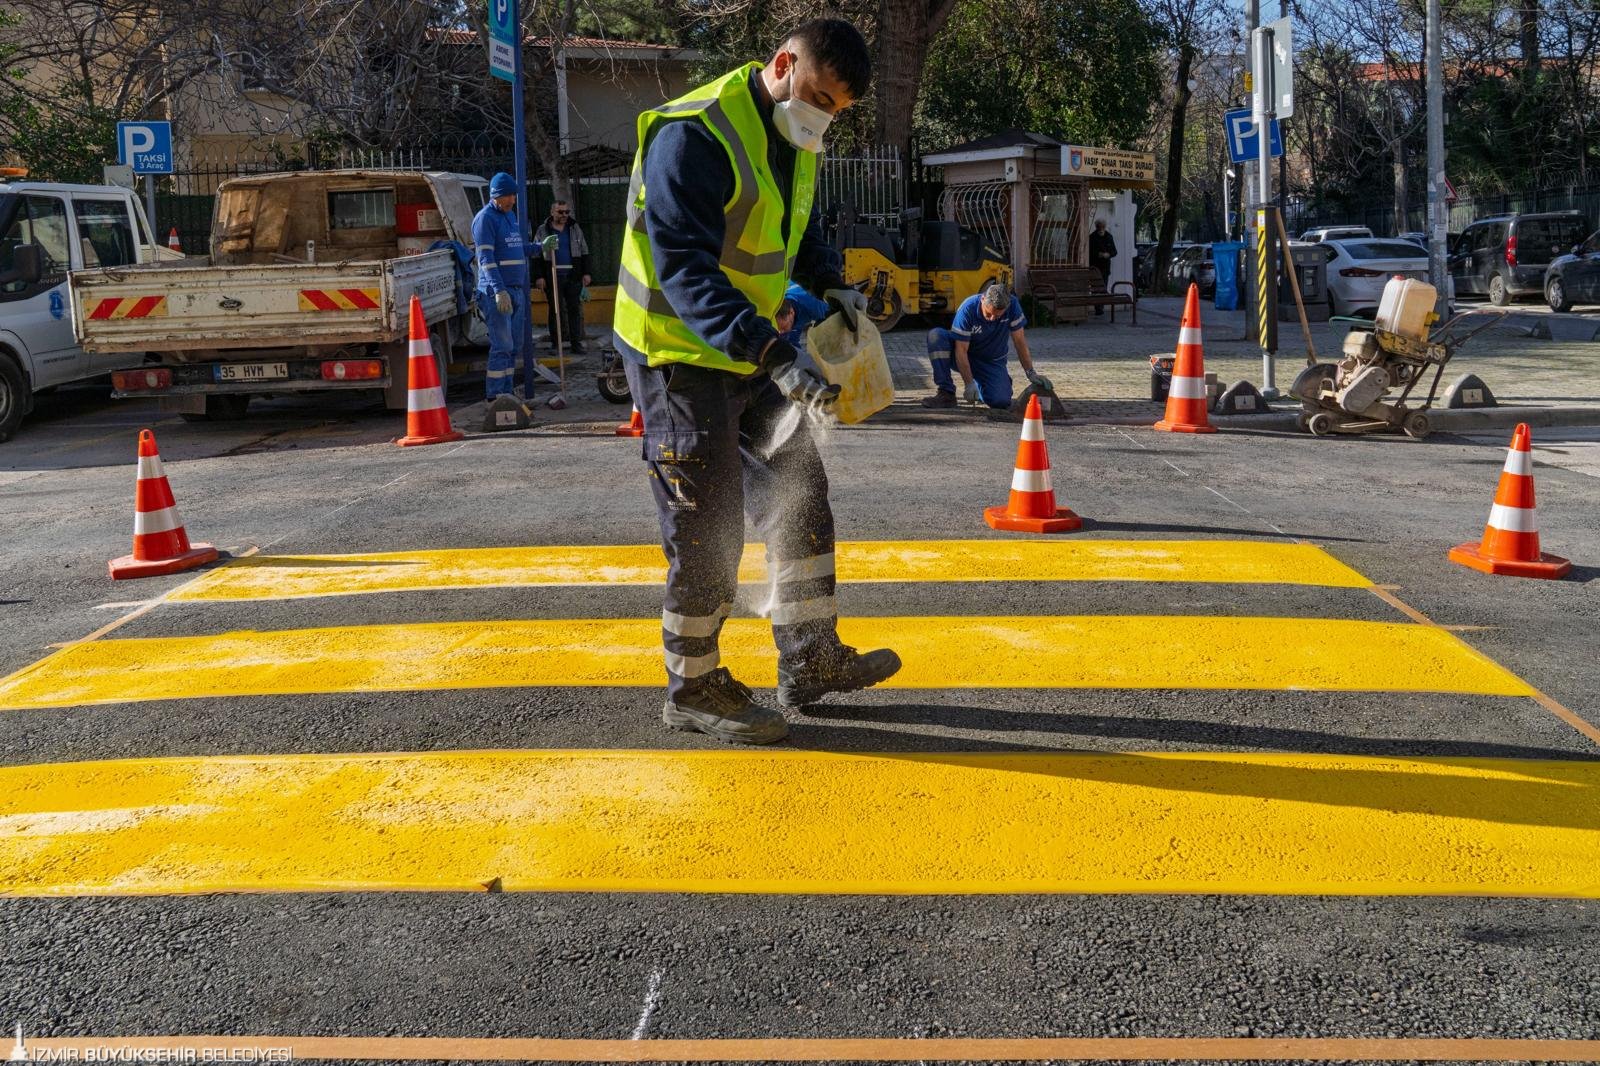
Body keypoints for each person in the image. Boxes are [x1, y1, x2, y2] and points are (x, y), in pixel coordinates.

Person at [612, 17, 900, 745]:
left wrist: (833, 285)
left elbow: (788, 225)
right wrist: (776, 357)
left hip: (743, 352)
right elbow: (683, 268)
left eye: (837, 109)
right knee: (706, 525)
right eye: (820, 96)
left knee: (799, 489)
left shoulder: (788, 135)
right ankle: (694, 687)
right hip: (677, 357)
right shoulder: (697, 134)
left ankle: (810, 658)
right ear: (782, 62)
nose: (824, 115)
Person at [921, 283, 1051, 409]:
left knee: (1000, 401)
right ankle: (946, 393)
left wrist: (1031, 373)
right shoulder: (968, 308)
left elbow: (1020, 342)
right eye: (988, 314)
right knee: (936, 336)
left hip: (991, 362)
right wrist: (968, 384)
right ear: (983, 299)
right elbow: (961, 350)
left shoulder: (1013, 306)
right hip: (963, 357)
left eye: (997, 315)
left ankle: (994, 383)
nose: (992, 319)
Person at [471, 172, 529, 400]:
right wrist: (499, 290)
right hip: (498, 293)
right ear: (496, 196)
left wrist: (538, 247)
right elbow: (486, 258)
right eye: (509, 197)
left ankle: (507, 392)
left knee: (513, 346)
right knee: (502, 345)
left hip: (515, 290)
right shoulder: (485, 219)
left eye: (514, 196)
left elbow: (516, 248)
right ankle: (495, 397)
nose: (513, 200)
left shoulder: (509, 216)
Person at [533, 199, 592, 353]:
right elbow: (536, 254)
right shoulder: (543, 230)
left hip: (573, 274)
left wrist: (586, 273)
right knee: (555, 310)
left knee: (574, 310)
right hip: (552, 274)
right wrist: (539, 276)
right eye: (560, 212)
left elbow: (584, 250)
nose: (564, 215)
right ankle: (556, 344)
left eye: (567, 212)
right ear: (552, 212)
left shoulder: (574, 228)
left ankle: (576, 344)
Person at [1088, 219, 1117, 315]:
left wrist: (1108, 254)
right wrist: (1098, 254)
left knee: (1103, 287)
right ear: (1096, 227)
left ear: (1105, 227)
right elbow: (1089, 252)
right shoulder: (1092, 237)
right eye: (1099, 227)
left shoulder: (1109, 237)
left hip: (1105, 267)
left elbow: (1114, 251)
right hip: (1095, 267)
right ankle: (1098, 308)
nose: (1101, 229)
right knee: (1096, 288)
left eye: (1102, 227)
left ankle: (1101, 307)